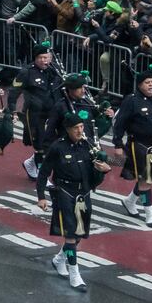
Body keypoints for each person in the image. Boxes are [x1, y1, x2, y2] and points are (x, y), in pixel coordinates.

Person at [37, 112, 112, 293]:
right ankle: (74, 273)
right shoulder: (58, 147)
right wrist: (41, 196)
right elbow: (44, 172)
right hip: (65, 192)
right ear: (68, 129)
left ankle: (59, 259)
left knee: (78, 235)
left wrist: (105, 168)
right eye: (76, 128)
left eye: (81, 127)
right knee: (70, 235)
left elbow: (100, 167)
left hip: (83, 193)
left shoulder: (88, 146)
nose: (80, 130)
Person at [113, 66, 152, 228]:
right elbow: (120, 123)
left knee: (148, 178)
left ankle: (130, 201)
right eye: (147, 82)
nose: (151, 85)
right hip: (139, 144)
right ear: (140, 84)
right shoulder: (132, 100)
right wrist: (118, 144)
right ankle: (150, 214)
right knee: (146, 179)